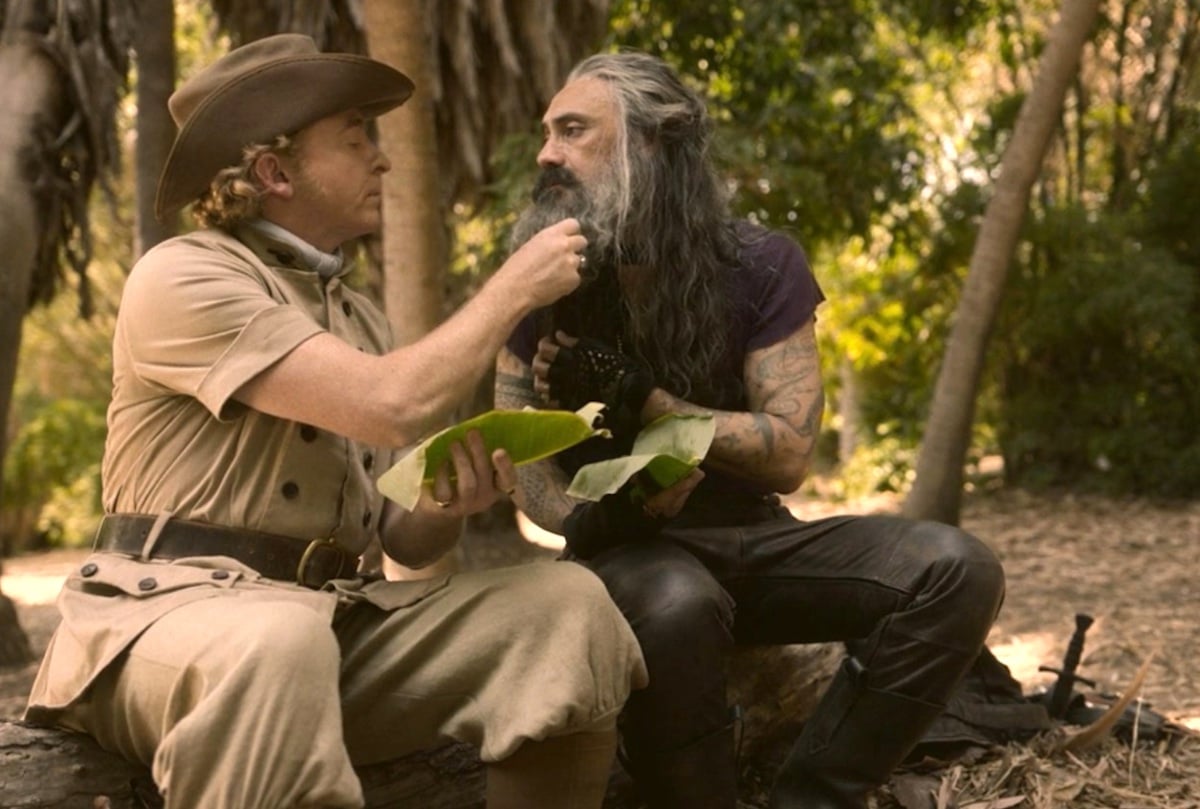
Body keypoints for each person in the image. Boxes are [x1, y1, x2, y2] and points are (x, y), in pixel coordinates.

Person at [24, 34, 648, 809]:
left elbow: (400, 538)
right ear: (274, 173)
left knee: (567, 607)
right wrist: (515, 286)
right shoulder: (181, 275)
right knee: (278, 643)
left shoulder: (357, 317)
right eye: (355, 140)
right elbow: (391, 403)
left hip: (328, 624)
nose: (381, 161)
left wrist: (445, 504)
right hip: (164, 620)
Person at [494, 51, 1007, 809]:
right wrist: (593, 520)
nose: (546, 153)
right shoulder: (540, 279)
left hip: (753, 541)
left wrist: (645, 399)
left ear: (651, 143)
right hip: (625, 559)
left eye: (572, 130)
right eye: (547, 133)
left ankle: (812, 799)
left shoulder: (761, 264)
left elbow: (789, 451)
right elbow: (521, 467)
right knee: (678, 602)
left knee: (959, 568)